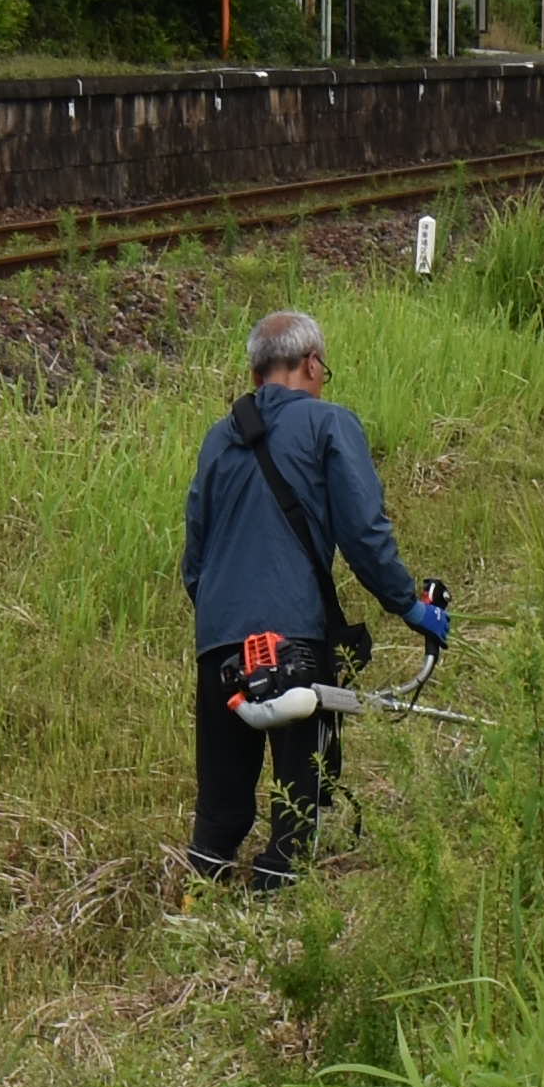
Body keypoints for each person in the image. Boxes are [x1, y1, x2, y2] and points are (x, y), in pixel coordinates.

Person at [177, 307, 446, 888]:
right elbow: (365, 534)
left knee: (220, 811)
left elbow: (194, 559)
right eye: (324, 367)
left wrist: (228, 620)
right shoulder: (330, 424)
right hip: (293, 640)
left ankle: (199, 912)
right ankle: (273, 917)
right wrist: (411, 606)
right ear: (311, 364)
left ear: (255, 376)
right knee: (302, 806)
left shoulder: (217, 441)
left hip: (219, 643)